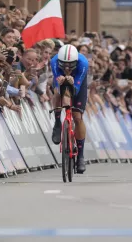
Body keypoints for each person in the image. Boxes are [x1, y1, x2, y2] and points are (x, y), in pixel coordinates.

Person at [50, 44, 89, 174]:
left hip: (77, 80)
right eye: (64, 64)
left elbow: (76, 89)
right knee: (57, 92)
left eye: (70, 64)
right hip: (60, 79)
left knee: (77, 117)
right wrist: (60, 82)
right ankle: (57, 122)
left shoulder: (83, 63)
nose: (67, 67)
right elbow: (57, 86)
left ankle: (81, 156)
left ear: (76, 62)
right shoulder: (54, 61)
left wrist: (73, 83)